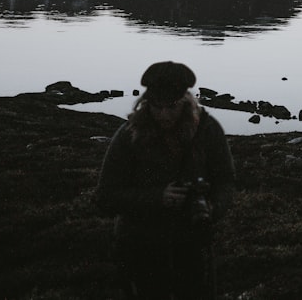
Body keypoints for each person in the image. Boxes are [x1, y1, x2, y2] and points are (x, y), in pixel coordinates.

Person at [95, 61, 235, 299]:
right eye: (156, 107)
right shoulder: (129, 135)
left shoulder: (208, 130)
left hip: (192, 245)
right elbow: (105, 197)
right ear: (146, 102)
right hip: (140, 246)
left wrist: (212, 208)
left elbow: (225, 182)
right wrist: (157, 198)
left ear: (184, 100)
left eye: (171, 107)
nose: (163, 115)